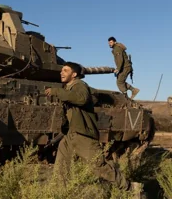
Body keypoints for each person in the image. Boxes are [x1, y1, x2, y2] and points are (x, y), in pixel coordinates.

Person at [44, 62, 142, 194]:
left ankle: (129, 188)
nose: (61, 72)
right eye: (61, 70)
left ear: (74, 74)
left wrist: (56, 91)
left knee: (99, 166)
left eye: (65, 70)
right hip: (71, 135)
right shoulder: (69, 88)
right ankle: (60, 192)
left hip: (83, 135)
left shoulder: (80, 85)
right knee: (61, 167)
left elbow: (81, 99)